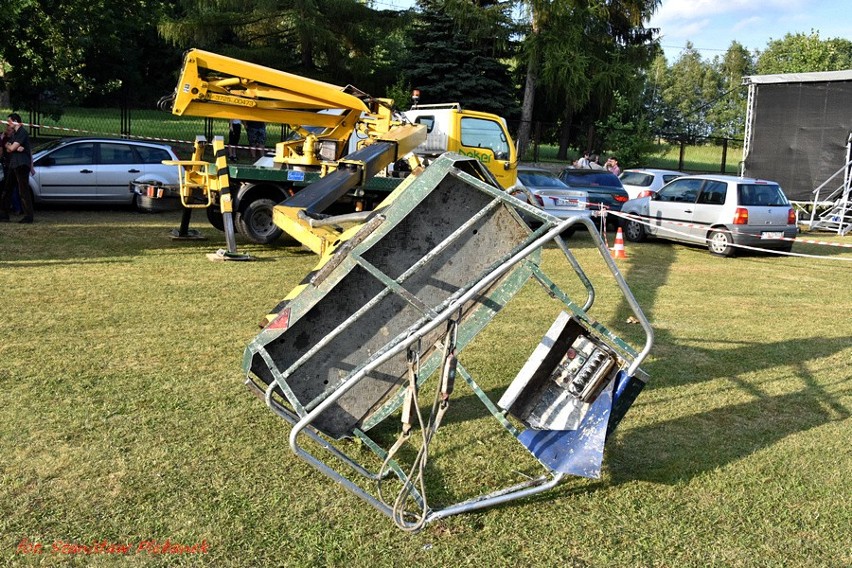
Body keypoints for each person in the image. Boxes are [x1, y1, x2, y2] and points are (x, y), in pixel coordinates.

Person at [1, 113, 33, 223]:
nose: (8, 124)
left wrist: (13, 147)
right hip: (13, 164)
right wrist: (12, 147)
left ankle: (28, 216)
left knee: (23, 191)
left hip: (22, 165)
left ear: (15, 121)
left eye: (9, 121)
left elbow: (12, 147)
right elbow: (8, 147)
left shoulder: (22, 132)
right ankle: (4, 214)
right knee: (7, 189)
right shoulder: (15, 134)